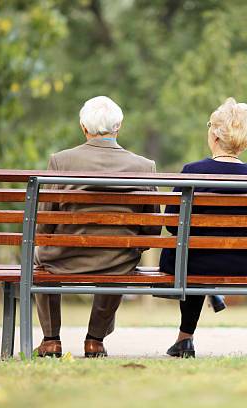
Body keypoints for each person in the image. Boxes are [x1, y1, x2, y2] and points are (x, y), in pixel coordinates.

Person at [34, 96, 161, 358]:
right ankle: (95, 340)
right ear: (119, 127)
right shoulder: (144, 166)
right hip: (117, 259)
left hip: (64, 259)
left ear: (83, 127)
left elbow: (44, 226)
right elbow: (151, 232)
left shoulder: (60, 161)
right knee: (116, 260)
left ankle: (51, 340)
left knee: (40, 258)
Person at [159, 97, 247, 358]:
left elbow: (172, 224)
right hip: (238, 263)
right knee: (201, 251)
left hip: (191, 262)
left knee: (190, 251)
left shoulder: (192, 171)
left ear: (215, 136)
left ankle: (186, 339)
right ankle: (209, 293)